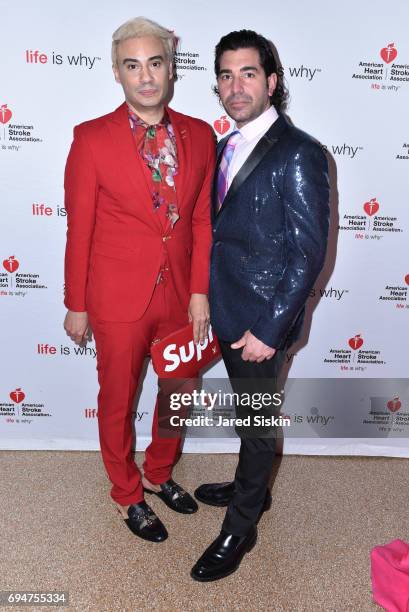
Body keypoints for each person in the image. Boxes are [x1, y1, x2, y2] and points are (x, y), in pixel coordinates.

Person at [63, 16, 215, 543]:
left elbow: (200, 220)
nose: (146, 77)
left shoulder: (200, 134)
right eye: (133, 65)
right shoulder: (90, 139)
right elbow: (79, 228)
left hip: (180, 297)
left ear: (171, 68)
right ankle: (127, 492)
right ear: (117, 73)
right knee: (117, 400)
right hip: (116, 297)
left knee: (178, 392)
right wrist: (76, 303)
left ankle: (159, 472)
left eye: (155, 63)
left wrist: (200, 293)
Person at [191, 29, 330, 581]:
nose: (235, 86)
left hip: (262, 323)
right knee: (252, 418)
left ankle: (240, 525)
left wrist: (271, 329)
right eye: (225, 75)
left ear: (272, 82)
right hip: (227, 309)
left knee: (258, 425)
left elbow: (307, 253)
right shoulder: (228, 145)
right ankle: (253, 485)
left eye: (248, 73)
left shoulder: (301, 153)